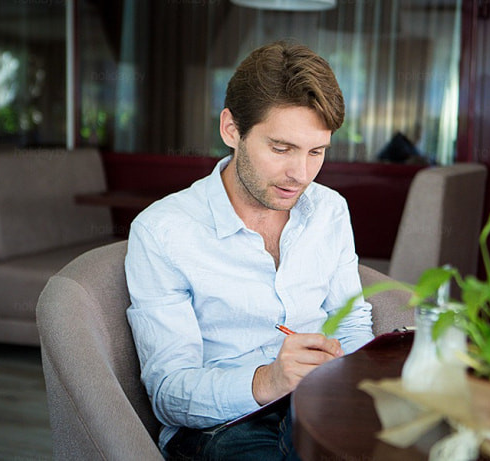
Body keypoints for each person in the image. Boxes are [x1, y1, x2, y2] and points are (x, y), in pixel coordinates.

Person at [125, 41, 374, 460]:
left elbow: (350, 324)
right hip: (222, 426)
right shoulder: (162, 232)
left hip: (318, 403)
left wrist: (352, 384)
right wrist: (269, 380)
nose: (300, 174)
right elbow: (168, 393)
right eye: (281, 148)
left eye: (316, 152)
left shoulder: (329, 210)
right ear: (231, 130)